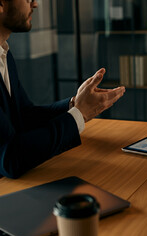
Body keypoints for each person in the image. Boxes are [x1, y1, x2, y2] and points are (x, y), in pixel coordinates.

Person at [0, 0, 125, 179]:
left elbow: (25, 116)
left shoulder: (4, 54)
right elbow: (10, 158)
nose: (35, 4)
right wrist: (80, 114)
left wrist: (75, 104)